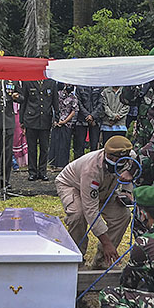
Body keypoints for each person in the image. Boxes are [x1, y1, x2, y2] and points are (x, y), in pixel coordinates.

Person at [55, 135, 135, 269]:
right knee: (77, 216)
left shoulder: (131, 157)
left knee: (122, 216)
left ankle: (102, 261)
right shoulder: (90, 169)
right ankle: (75, 261)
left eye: (118, 160)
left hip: (104, 188)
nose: (113, 162)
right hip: (73, 185)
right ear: (105, 152)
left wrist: (126, 192)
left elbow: (132, 173)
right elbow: (90, 210)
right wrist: (106, 243)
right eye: (111, 158)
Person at [18, 77, 58, 181]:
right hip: (31, 119)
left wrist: (56, 117)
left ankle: (42, 171)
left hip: (45, 119)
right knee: (32, 148)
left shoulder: (51, 82)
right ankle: (32, 172)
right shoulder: (28, 81)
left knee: (44, 148)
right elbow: (24, 101)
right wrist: (22, 120)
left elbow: (55, 101)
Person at [50, 84, 78, 169]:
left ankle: (62, 164)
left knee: (64, 144)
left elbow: (74, 111)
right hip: (57, 122)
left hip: (67, 123)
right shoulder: (57, 94)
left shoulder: (74, 97)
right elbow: (53, 106)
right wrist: (55, 120)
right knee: (55, 143)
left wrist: (65, 121)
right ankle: (52, 163)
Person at [73, 85, 103, 158]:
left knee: (94, 146)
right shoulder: (80, 87)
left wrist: (92, 116)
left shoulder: (99, 87)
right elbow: (78, 103)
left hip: (95, 120)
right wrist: (87, 115)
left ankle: (93, 166)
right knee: (79, 145)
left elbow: (101, 103)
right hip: (81, 120)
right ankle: (78, 165)